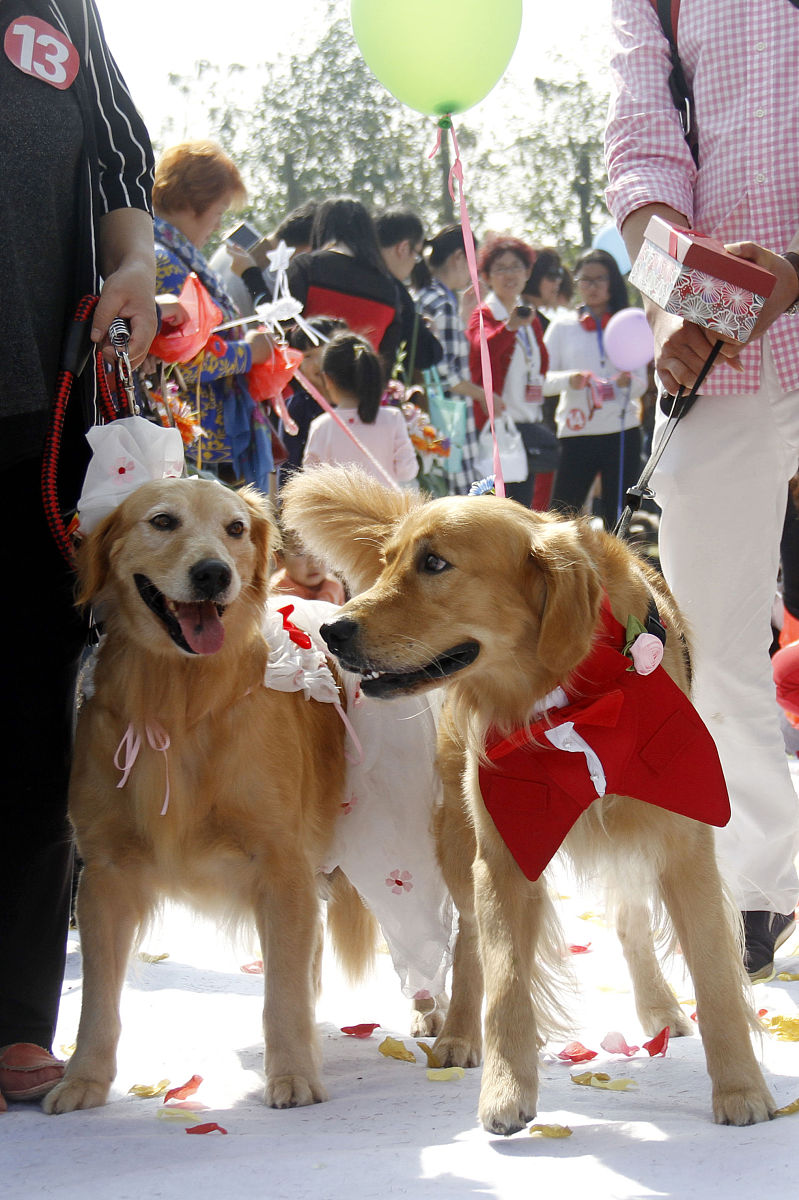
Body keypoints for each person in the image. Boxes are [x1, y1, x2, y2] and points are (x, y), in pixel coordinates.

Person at [605, 0, 799, 979]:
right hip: (717, 346)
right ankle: (759, 887)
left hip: (765, 311)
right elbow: (639, 156)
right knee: (715, 643)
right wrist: (675, 288)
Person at [0, 0, 156, 1109]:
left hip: (37, 419)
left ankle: (13, 1014)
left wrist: (138, 263)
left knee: (24, 713)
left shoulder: (61, 6)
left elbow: (117, 161)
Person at [152, 141, 274, 492]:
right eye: (219, 211)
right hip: (194, 438)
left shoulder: (169, 253)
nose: (218, 225)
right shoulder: (167, 262)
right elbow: (184, 358)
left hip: (198, 434)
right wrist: (250, 352)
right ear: (195, 202)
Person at [545, 248, 646, 530]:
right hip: (577, 432)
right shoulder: (562, 327)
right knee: (562, 516)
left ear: (612, 281)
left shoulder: (628, 323)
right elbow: (541, 381)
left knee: (620, 517)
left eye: (599, 279)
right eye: (585, 279)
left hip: (622, 431)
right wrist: (569, 380)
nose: (592, 286)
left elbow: (642, 383)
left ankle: (618, 573)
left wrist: (628, 383)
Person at [466, 237, 552, 507]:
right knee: (500, 507)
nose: (509, 275)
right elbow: (481, 353)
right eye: (500, 268)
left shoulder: (530, 318)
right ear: (488, 276)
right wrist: (510, 327)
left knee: (525, 506)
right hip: (499, 427)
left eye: (516, 267)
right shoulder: (485, 313)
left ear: (527, 273)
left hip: (528, 422)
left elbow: (540, 365)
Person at [286, 196, 403, 373]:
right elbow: (386, 361)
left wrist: (251, 275)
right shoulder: (389, 288)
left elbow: (281, 331)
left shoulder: (307, 267)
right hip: (361, 394)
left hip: (307, 389)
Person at [413, 225, 489, 493]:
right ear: (459, 256)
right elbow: (448, 375)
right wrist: (483, 395)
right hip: (450, 419)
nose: (474, 272)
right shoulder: (441, 302)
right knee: (459, 501)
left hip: (430, 415)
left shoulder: (425, 296)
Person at [303, 331, 418, 486]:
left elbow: (311, 481)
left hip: (340, 509)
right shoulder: (392, 418)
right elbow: (407, 471)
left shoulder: (322, 426)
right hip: (386, 508)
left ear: (328, 379)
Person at [276, 316, 349, 489]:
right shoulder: (297, 406)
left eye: (323, 351)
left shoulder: (353, 399)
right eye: (308, 356)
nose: (318, 363)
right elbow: (289, 464)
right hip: (315, 494)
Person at [374, 208, 443, 377]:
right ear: (403, 248)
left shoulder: (351, 275)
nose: (415, 263)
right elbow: (424, 354)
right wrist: (432, 333)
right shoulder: (396, 292)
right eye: (417, 255)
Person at [270, 526, 346, 605]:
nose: (313, 563)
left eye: (319, 550)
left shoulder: (333, 584)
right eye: (300, 553)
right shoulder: (279, 592)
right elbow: (315, 615)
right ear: (279, 559)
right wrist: (329, 593)